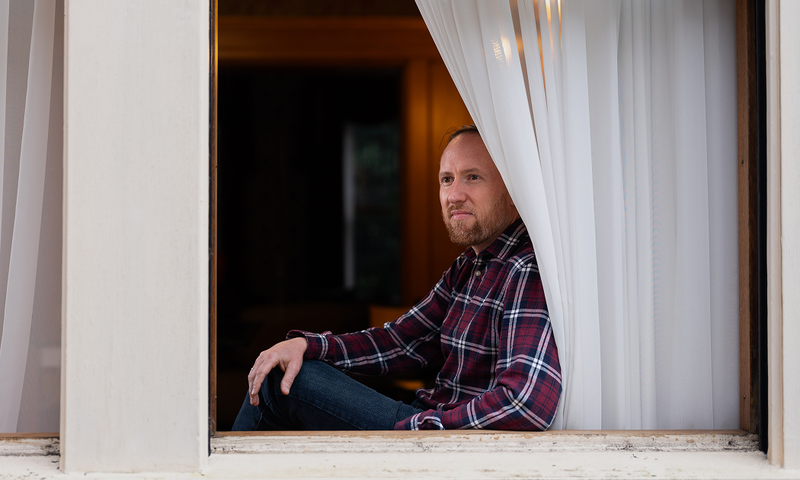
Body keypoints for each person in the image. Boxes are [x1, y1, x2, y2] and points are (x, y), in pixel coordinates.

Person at [232, 125, 561, 431]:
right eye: (447, 179)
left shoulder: (525, 267)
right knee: (285, 368)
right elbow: (401, 341)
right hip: (425, 421)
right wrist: (308, 344)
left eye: (472, 177)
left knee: (284, 383)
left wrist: (419, 429)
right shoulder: (470, 266)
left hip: (440, 439)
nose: (454, 194)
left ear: (514, 189)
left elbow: (525, 403)